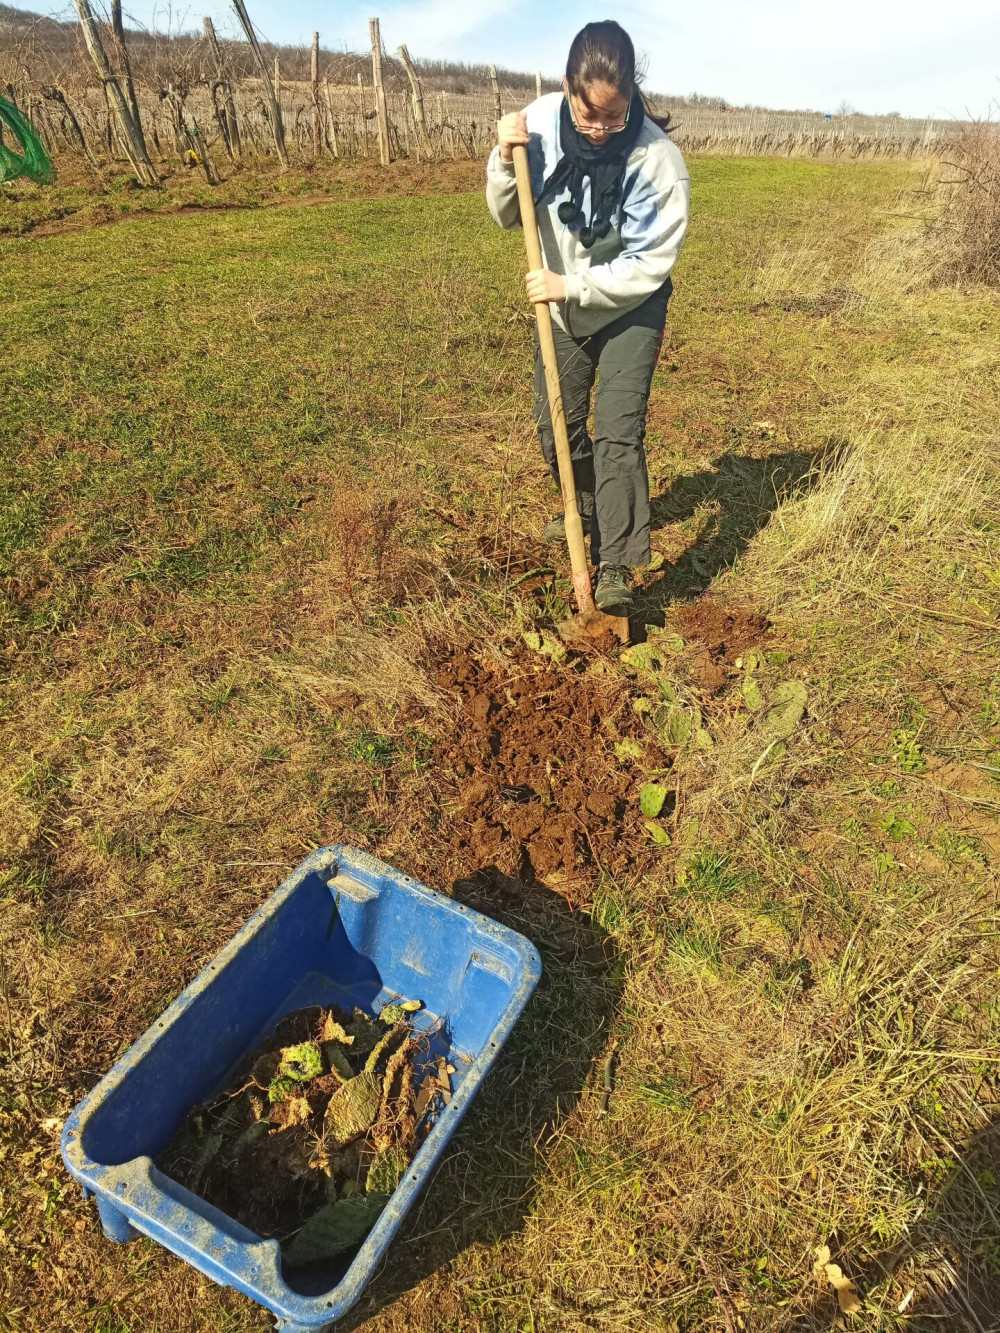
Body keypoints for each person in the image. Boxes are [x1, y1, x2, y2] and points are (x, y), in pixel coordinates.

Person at [486, 20, 690, 613]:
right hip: (560, 302)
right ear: (569, 88)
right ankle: (589, 509)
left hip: (629, 306)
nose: (599, 129)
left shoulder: (658, 161)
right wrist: (504, 158)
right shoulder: (540, 125)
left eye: (614, 116)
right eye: (588, 114)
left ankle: (617, 565)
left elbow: (647, 266)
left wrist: (568, 285)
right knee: (554, 423)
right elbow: (506, 216)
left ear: (631, 97)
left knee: (618, 435)